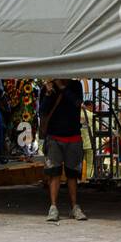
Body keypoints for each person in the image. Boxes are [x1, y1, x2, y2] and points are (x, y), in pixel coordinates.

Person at [39, 78, 87, 222]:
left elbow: (77, 103)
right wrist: (48, 94)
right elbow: (42, 111)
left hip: (73, 135)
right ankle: (53, 207)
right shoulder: (47, 88)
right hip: (54, 136)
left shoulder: (76, 85)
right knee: (54, 173)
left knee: (73, 174)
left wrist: (62, 88)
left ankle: (74, 207)